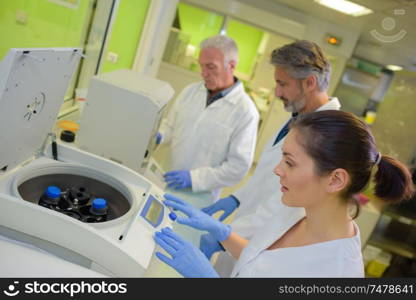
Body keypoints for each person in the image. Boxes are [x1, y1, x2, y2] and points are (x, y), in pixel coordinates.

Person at [153, 110, 414, 277]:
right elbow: (264, 262)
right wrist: (224, 233)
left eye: (290, 162)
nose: (277, 170)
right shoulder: (297, 210)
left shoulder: (338, 271)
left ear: (335, 180)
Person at [200, 40, 341, 276]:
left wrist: (227, 232)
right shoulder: (299, 117)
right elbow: (268, 174)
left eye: (282, 84)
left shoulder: (326, 137)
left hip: (267, 240)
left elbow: (285, 206)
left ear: (309, 83)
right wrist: (236, 198)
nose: (277, 92)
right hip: (250, 227)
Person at [157, 35, 259, 202]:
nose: (203, 73)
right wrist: (158, 135)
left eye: (211, 67)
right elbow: (170, 127)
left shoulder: (246, 112)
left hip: (199, 197)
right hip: (165, 180)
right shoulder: (190, 91)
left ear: (231, 65)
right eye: (202, 66)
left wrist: (194, 179)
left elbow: (237, 167)